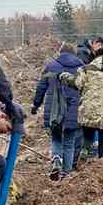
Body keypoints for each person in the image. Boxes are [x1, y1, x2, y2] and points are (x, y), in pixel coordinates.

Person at [31, 43, 84, 180]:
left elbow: (41, 87)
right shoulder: (81, 67)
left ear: (60, 53)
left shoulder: (51, 66)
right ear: (74, 54)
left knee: (56, 138)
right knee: (69, 142)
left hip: (54, 110)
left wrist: (36, 105)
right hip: (74, 110)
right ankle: (66, 173)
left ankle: (56, 159)